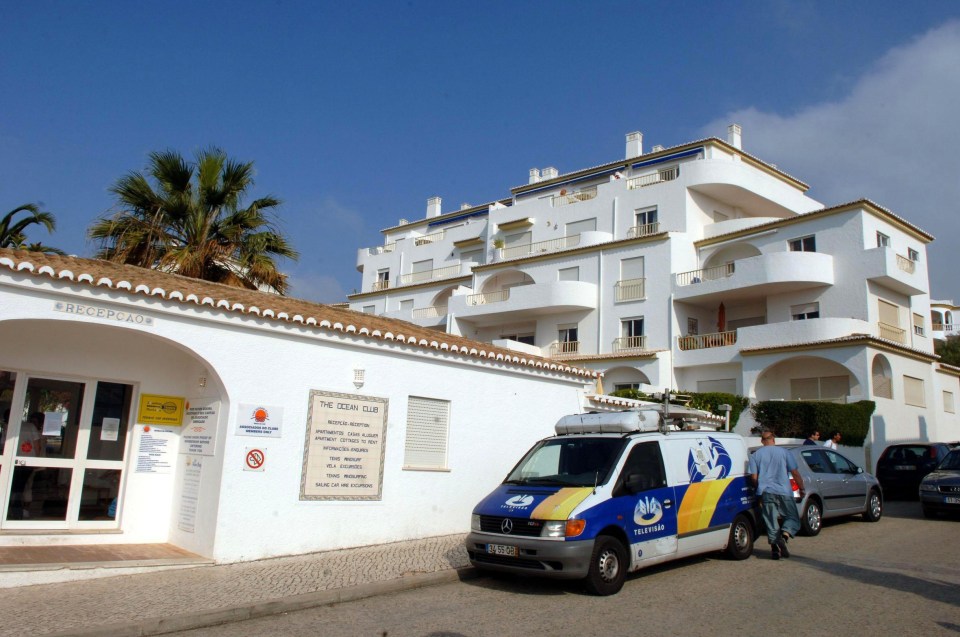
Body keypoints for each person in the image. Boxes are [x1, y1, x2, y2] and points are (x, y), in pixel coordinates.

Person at [749, 431, 805, 560]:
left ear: (762, 441)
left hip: (766, 492)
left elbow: (753, 477)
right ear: (773, 439)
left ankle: (775, 549)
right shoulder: (785, 453)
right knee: (792, 518)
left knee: (771, 520)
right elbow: (795, 473)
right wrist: (801, 488)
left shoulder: (755, 456)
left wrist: (759, 488)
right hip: (784, 491)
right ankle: (784, 536)